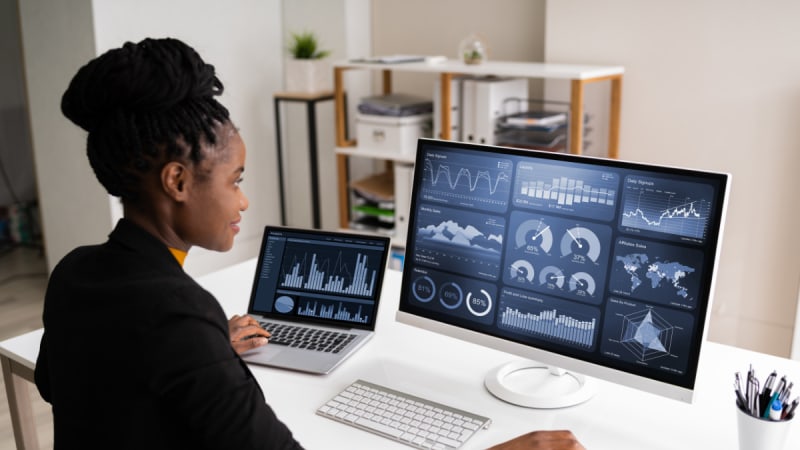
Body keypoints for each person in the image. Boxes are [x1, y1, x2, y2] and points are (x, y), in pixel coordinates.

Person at [34, 37, 584, 450]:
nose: (243, 203)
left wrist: (202, 357)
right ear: (177, 182)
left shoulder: (77, 272)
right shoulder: (178, 314)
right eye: (236, 180)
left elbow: (58, 383)